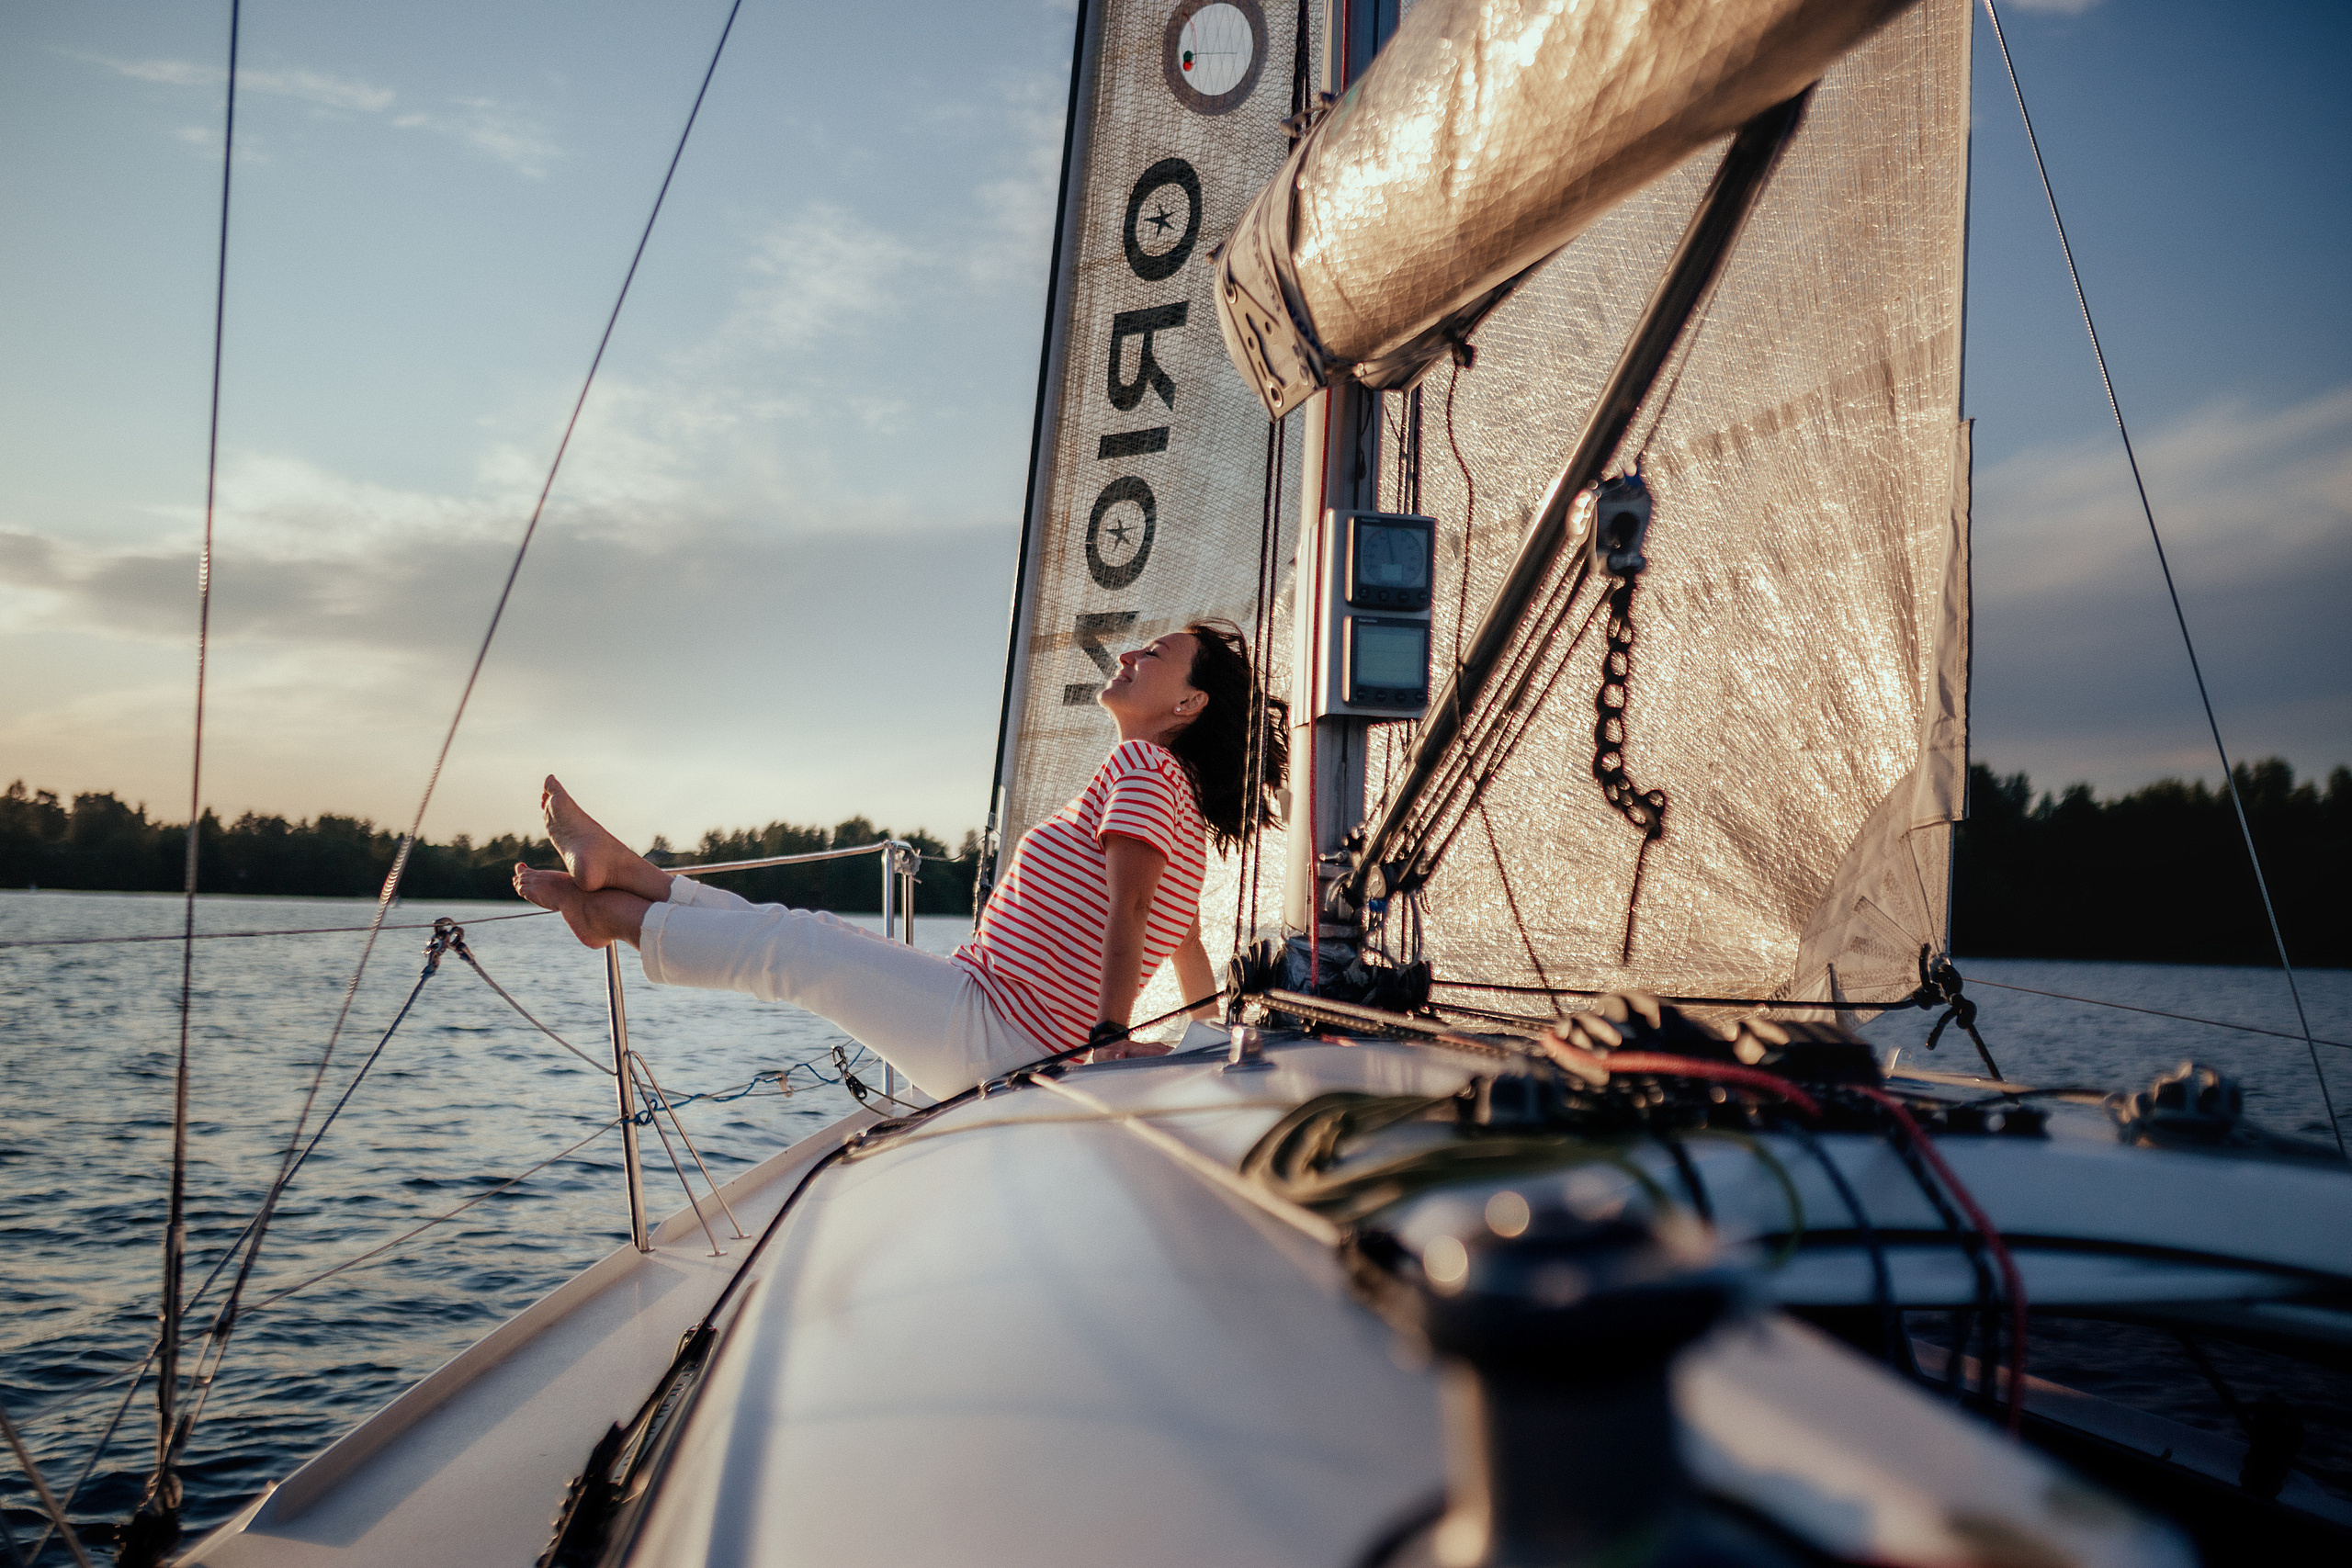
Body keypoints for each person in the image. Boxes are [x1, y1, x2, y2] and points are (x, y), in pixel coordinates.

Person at [513, 619, 1286, 1099]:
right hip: (993, 1009)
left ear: (1188, 705)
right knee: (804, 932)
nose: (1127, 651)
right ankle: (625, 881)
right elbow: (1181, 936)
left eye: (1154, 654)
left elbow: (1136, 911)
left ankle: (610, 911)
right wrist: (1209, 1041)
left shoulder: (1145, 771)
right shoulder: (1173, 804)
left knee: (800, 946)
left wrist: (1111, 1035)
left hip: (1000, 1027)